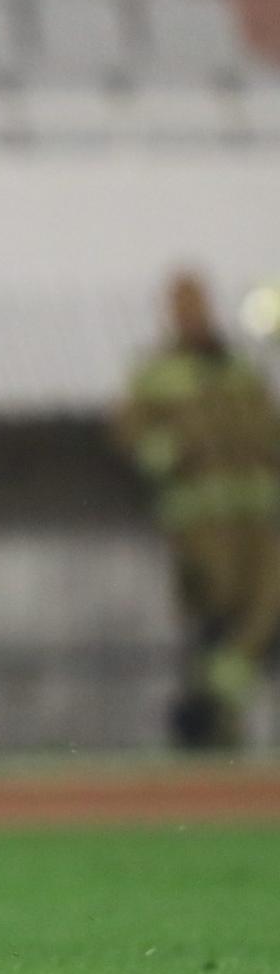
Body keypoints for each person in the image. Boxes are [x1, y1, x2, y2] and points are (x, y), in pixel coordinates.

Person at [117, 270, 280, 749]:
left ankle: (216, 707)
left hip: (258, 524)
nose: (192, 312)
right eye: (182, 303)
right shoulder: (157, 373)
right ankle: (208, 718)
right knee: (216, 620)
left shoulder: (239, 369)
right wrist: (171, 454)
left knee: (264, 611)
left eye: (198, 301)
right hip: (202, 528)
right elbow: (133, 435)